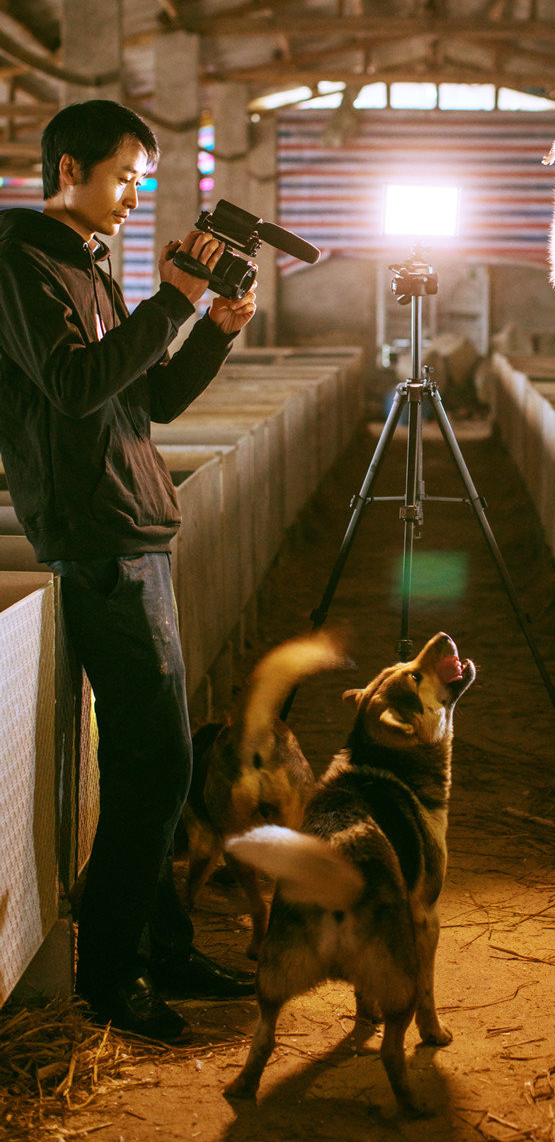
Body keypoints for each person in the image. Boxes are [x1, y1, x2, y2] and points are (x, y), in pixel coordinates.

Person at [0, 99, 259, 1043]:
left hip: (135, 528)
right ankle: (114, 972)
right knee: (157, 765)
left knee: (155, 761)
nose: (132, 195)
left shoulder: (86, 266)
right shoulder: (21, 263)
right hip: (99, 537)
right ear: (67, 168)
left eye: (142, 180)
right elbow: (72, 388)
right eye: (123, 175)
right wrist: (174, 300)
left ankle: (164, 947)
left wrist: (215, 328)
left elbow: (143, 403)